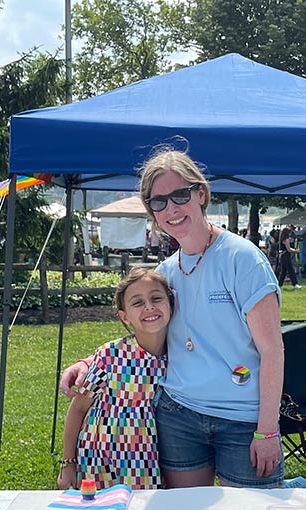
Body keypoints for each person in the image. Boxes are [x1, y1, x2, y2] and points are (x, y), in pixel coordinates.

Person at [60, 147, 284, 488]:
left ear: (201, 194)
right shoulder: (166, 273)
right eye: (158, 201)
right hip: (180, 418)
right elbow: (147, 337)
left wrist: (267, 430)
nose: (171, 209)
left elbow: (272, 350)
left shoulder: (243, 260)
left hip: (243, 420)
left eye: (179, 195)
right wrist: (89, 363)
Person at [58, 269, 172, 491]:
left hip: (148, 461)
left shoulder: (179, 356)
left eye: (156, 298)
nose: (149, 307)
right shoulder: (111, 356)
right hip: (99, 460)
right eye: (137, 302)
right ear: (124, 316)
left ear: (171, 303)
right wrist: (68, 463)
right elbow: (78, 409)